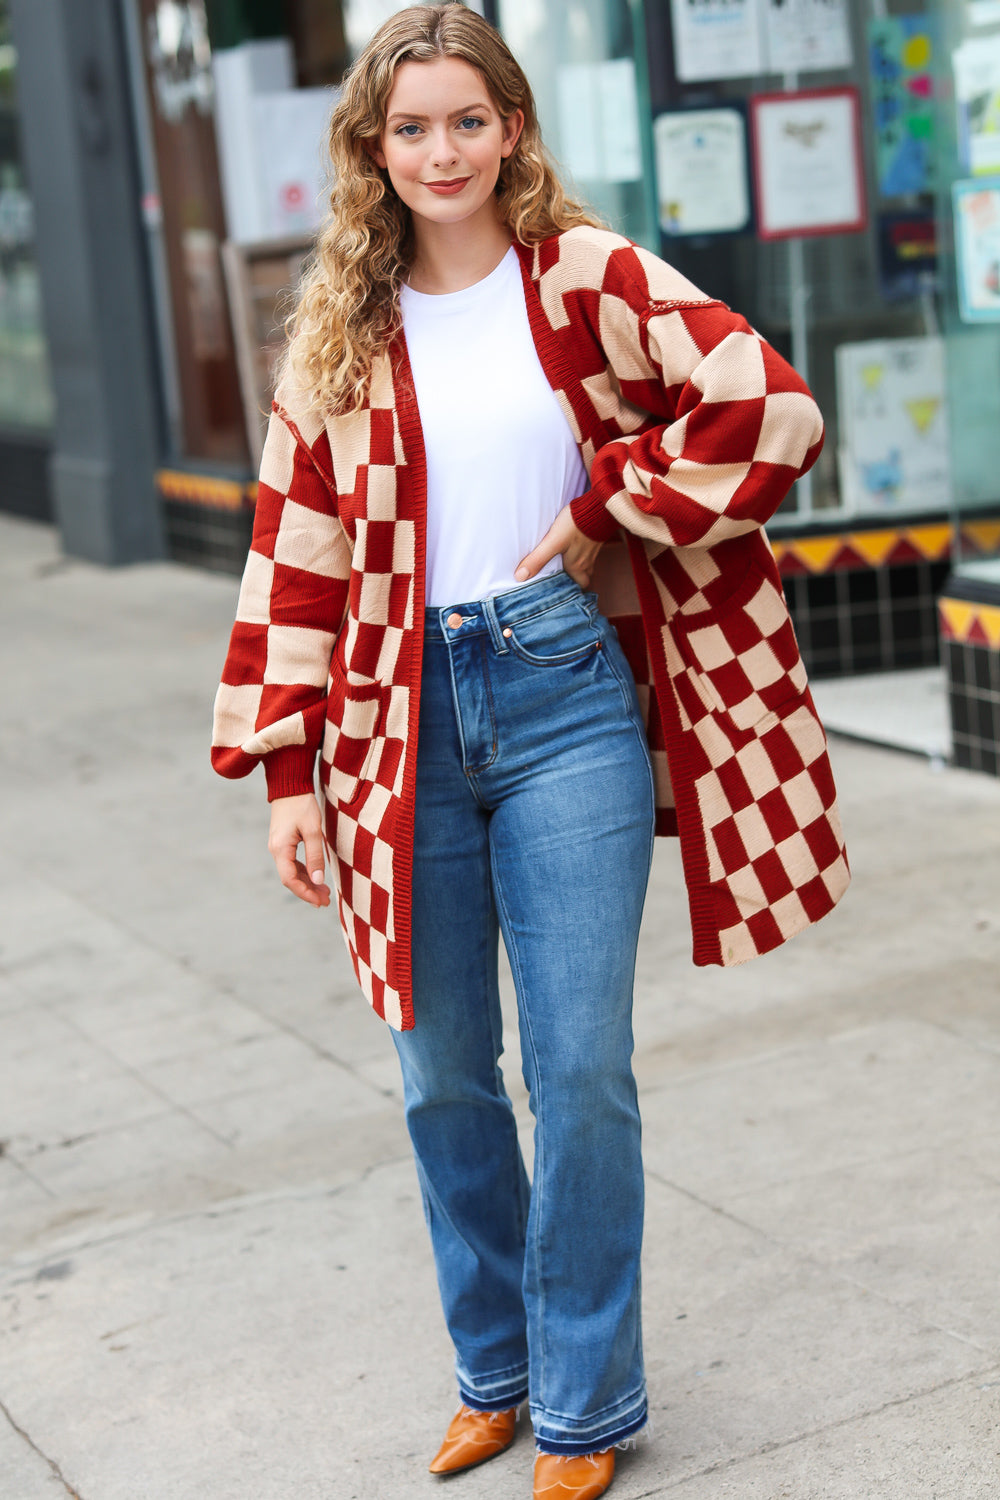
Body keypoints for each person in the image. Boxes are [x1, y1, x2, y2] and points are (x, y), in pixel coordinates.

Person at [211, 5, 849, 1496]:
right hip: (390, 712)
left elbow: (776, 406)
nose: (442, 151)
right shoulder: (343, 325)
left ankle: (583, 1405)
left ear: (513, 129)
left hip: (562, 694)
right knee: (440, 1072)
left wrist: (615, 500)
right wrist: (290, 774)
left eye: (468, 120)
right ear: (376, 147)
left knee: (580, 1071)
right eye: (411, 127)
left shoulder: (588, 276)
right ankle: (491, 1372)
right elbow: (290, 554)